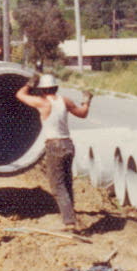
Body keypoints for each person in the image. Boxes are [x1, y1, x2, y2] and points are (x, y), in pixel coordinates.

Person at [16, 72, 92, 231]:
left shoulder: (42, 103)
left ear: (42, 90)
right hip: (68, 144)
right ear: (56, 88)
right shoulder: (65, 101)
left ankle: (70, 222)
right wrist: (87, 101)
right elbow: (83, 114)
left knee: (57, 185)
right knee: (66, 182)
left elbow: (20, 94)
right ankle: (70, 215)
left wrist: (31, 83)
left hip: (54, 145)